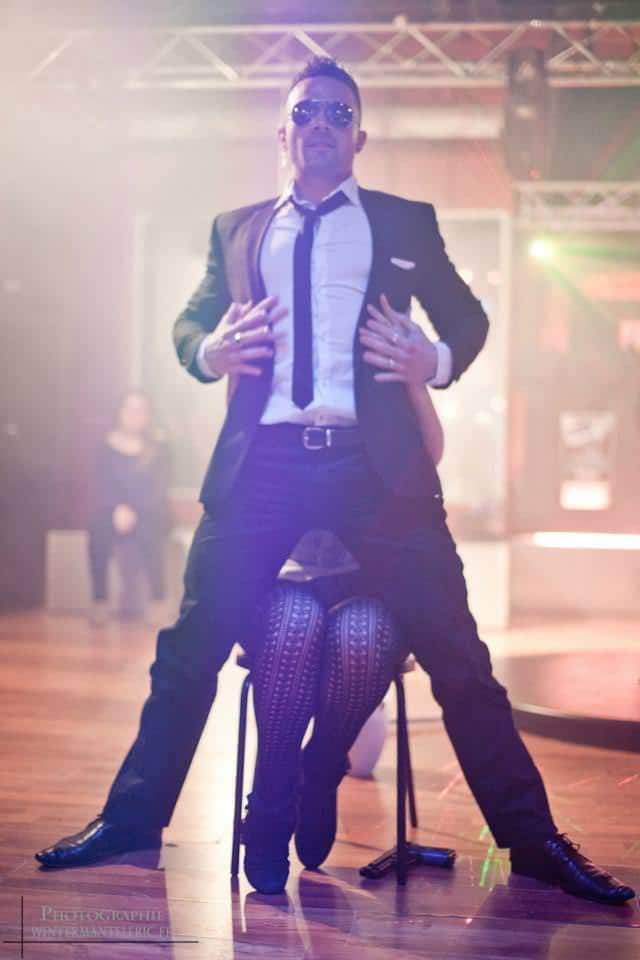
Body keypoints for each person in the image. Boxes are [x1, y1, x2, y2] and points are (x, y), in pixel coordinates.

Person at [35, 57, 634, 907]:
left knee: (461, 659)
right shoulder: (237, 229)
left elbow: (467, 318)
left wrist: (434, 358)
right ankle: (131, 820)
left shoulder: (404, 222)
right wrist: (207, 351)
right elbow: (190, 323)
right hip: (265, 464)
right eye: (306, 111)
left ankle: (533, 842)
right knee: (188, 650)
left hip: (373, 467)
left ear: (360, 137)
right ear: (282, 133)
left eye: (338, 113)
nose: (321, 123)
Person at [242, 375, 442, 894]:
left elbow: (427, 457)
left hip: (371, 573)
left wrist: (416, 379)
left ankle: (322, 765)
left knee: (361, 639)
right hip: (284, 569)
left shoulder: (371, 364)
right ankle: (271, 790)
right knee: (295, 625)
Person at [87, 388, 171, 627]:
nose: (135, 415)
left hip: (149, 511)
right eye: (129, 409)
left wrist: (135, 510)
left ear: (148, 415)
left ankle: (158, 602)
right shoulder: (105, 446)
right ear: (120, 412)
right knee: (97, 529)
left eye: (140, 410)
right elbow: (101, 483)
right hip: (114, 511)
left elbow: (159, 487)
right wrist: (118, 508)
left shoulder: (159, 447)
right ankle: (99, 601)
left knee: (151, 530)